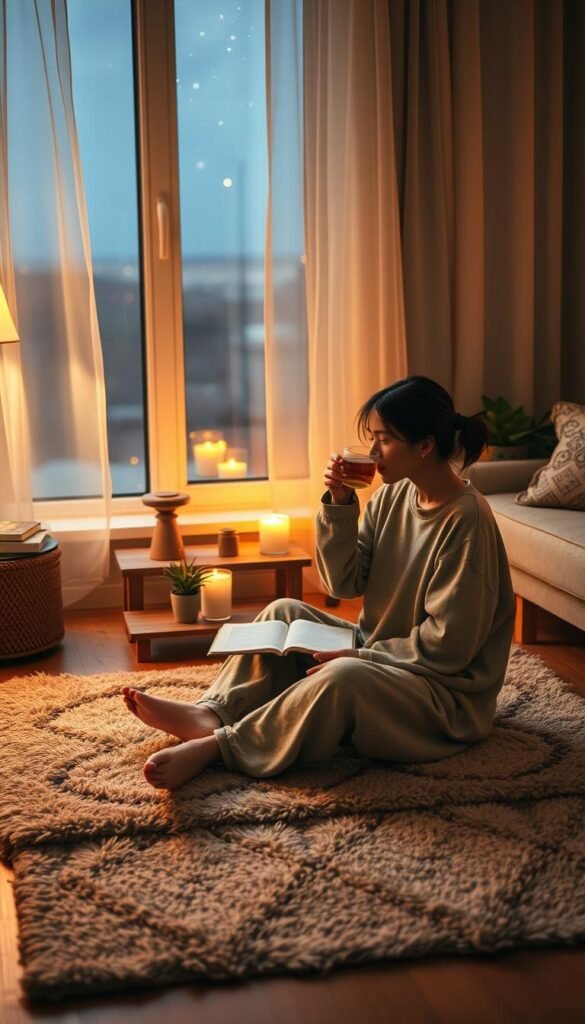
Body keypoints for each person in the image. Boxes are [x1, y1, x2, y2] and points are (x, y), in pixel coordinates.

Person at [122, 375, 515, 790]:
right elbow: (343, 583)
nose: (373, 452)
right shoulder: (392, 496)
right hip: (385, 654)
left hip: (442, 695)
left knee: (344, 674)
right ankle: (212, 713)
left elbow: (448, 647)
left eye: (385, 440)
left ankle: (222, 746)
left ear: (424, 445)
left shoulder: (466, 520)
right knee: (282, 612)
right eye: (372, 439)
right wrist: (341, 503)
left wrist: (361, 656)